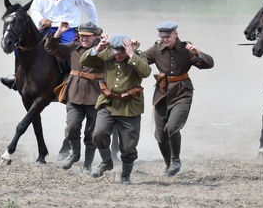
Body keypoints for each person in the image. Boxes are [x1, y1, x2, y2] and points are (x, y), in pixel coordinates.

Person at [0, 0, 98, 89]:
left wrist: (94, 27)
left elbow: (89, 6)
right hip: (45, 28)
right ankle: (17, 77)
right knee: (22, 46)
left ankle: (71, 80)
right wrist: (41, 20)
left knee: (70, 51)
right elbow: (35, 8)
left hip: (67, 30)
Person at [142, 21, 214, 176]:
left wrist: (198, 52)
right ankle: (169, 165)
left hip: (182, 93)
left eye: (167, 36)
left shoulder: (186, 49)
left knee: (172, 128)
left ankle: (175, 160)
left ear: (176, 34)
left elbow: (208, 64)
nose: (164, 40)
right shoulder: (156, 49)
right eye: (162, 37)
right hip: (162, 94)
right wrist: (131, 52)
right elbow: (140, 62)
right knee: (160, 135)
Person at [80, 34, 151, 184]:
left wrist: (132, 54)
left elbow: (146, 72)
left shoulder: (137, 56)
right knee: (98, 133)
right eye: (115, 53)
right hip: (108, 103)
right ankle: (106, 161)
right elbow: (84, 61)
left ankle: (125, 175)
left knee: (129, 145)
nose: (118, 56)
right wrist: (99, 47)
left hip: (129, 106)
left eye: (121, 53)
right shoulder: (107, 54)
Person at [45, 21, 104, 173]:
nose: (84, 39)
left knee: (91, 133)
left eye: (87, 36)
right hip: (74, 95)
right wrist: (58, 33)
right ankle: (75, 154)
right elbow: (50, 47)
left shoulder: (103, 49)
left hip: (95, 95)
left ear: (94, 36)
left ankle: (88, 164)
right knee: (71, 127)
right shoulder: (72, 47)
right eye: (82, 36)